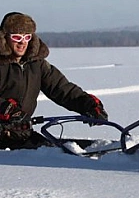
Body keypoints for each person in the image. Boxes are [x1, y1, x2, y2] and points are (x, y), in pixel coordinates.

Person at [0, 12, 108, 150]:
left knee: (51, 150)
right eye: (16, 37)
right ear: (4, 37)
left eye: (27, 37)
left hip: (19, 133)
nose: (22, 42)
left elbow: (61, 88)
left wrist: (88, 104)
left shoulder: (36, 64)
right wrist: (7, 109)